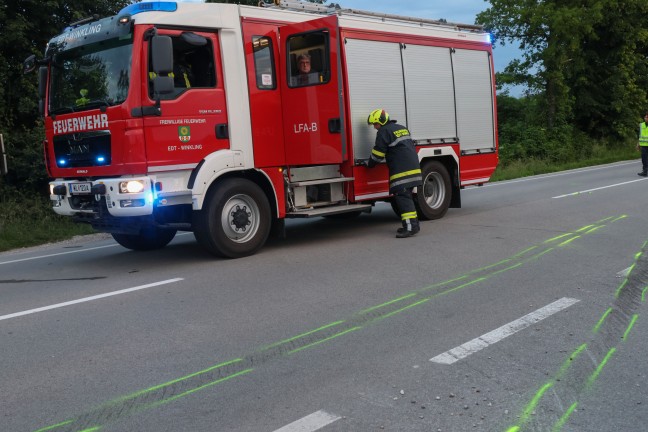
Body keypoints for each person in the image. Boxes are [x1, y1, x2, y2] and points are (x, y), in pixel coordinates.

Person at [361, 108, 423, 238]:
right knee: (407, 197)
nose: (374, 127)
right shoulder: (400, 127)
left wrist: (369, 163)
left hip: (402, 171)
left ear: (381, 122)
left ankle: (411, 228)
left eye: (375, 124)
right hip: (413, 167)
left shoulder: (384, 131)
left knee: (403, 198)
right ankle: (412, 225)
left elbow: (378, 154)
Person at [637, 111, 648, 176]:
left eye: (647, 117)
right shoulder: (641, 125)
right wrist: (638, 144)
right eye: (645, 117)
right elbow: (640, 135)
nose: (645, 118)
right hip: (643, 145)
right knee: (644, 159)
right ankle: (645, 171)